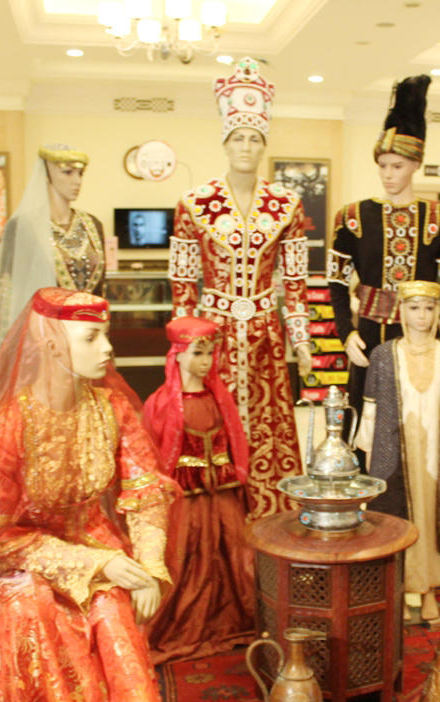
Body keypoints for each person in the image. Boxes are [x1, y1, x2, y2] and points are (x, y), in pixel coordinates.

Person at [0, 287, 205, 702]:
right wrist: (99, 563)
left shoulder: (113, 409)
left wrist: (149, 565)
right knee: (28, 606)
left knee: (113, 613)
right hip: (21, 563)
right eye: (91, 338)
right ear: (51, 342)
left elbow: (146, 491)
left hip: (98, 543)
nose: (108, 349)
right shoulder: (4, 428)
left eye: (106, 335)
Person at [168, 57, 311, 520]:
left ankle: (270, 517)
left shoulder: (287, 205)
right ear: (225, 142)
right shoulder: (195, 204)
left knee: (270, 426)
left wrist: (302, 342)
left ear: (264, 143)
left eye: (254, 138)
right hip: (214, 336)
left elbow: (296, 283)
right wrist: (183, 345)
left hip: (266, 333)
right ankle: (220, 523)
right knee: (213, 423)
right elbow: (182, 283)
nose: (246, 147)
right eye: (238, 138)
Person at [326, 74, 440, 435]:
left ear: (416, 164)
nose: (388, 175)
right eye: (383, 165)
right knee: (366, 425)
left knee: (418, 423)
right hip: (369, 335)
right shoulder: (352, 218)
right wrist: (346, 333)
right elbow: (336, 283)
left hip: (422, 337)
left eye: (397, 166)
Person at [142, 317, 254, 663]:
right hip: (185, 502)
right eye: (197, 353)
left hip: (222, 496)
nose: (206, 361)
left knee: (234, 555)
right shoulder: (161, 403)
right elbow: (150, 454)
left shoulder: (221, 399)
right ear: (177, 354)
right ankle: (184, 626)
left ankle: (230, 622)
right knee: (185, 559)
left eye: (210, 353)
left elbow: (235, 441)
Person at [355, 281, 440, 621]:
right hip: (392, 451)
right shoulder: (383, 355)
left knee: (432, 517)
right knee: (395, 516)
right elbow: (371, 408)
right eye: (414, 308)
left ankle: (430, 588)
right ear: (401, 311)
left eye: (429, 308)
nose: (422, 316)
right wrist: (369, 451)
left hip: (434, 452)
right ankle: (400, 590)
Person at [0, 144, 106, 379]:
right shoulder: (23, 227)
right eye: (67, 172)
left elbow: (101, 290)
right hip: (46, 342)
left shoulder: (93, 225)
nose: (77, 181)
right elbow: (8, 294)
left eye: (80, 173)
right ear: (47, 174)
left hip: (89, 341)